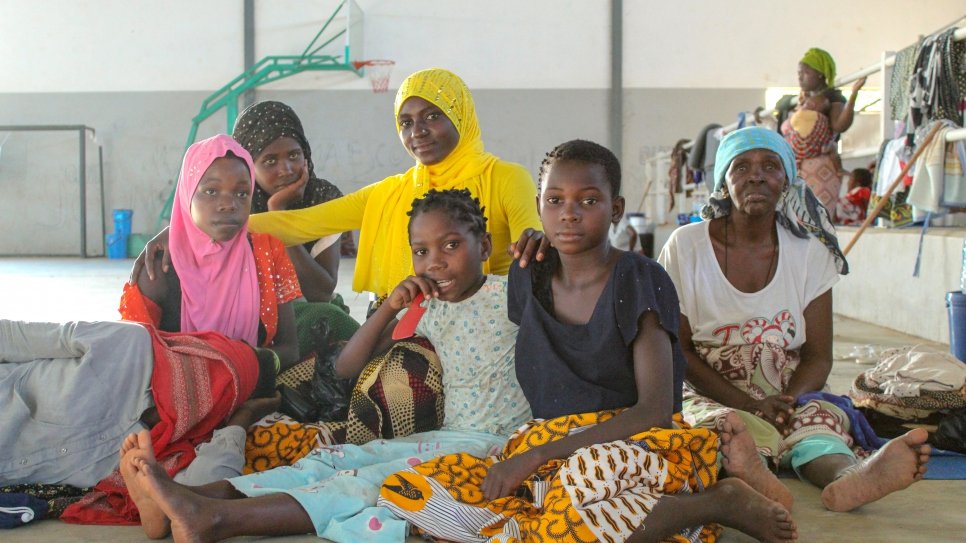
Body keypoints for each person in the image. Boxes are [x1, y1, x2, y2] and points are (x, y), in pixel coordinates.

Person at [379, 140, 797, 543]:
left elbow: (653, 411)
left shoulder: (638, 278)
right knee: (411, 489)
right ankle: (599, 518)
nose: (569, 215)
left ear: (616, 209)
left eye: (589, 200)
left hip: (637, 445)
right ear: (539, 207)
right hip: (549, 443)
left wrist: (535, 458)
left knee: (575, 498)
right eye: (555, 200)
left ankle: (717, 502)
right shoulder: (529, 273)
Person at [116, 188, 532, 543]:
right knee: (333, 461)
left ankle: (217, 519)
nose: (435, 262)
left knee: (367, 483)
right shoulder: (428, 307)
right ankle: (178, 499)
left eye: (451, 246)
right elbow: (348, 367)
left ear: (485, 246)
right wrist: (390, 308)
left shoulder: (509, 294)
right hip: (449, 436)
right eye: (421, 251)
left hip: (496, 444)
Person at [657, 126, 930, 514]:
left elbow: (819, 355)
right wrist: (749, 405)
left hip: (787, 386)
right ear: (723, 179)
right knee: (716, 430)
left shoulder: (809, 252)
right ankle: (747, 471)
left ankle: (849, 477)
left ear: (786, 179)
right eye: (741, 166)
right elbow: (679, 349)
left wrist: (786, 402)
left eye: (770, 165)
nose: (756, 175)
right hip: (711, 386)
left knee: (818, 426)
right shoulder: (686, 246)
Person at [0, 319, 278, 525]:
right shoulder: (129, 343)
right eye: (206, 366)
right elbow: (11, 336)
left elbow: (200, 497)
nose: (200, 382)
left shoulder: (166, 452)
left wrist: (241, 421)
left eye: (220, 389)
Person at [120, 134, 300, 373]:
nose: (229, 204)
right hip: (180, 398)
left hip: (250, 385)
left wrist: (243, 363)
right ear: (187, 195)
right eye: (211, 191)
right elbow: (133, 359)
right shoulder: (160, 267)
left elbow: (290, 349)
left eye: (242, 193)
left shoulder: (267, 254)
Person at [231, 100, 360, 420]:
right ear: (248, 165)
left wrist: (278, 218)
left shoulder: (323, 197)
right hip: (249, 318)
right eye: (269, 160)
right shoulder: (235, 202)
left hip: (310, 312)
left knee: (330, 319)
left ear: (306, 153)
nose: (286, 169)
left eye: (293, 155)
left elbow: (320, 291)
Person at [781, 47, 866, 216]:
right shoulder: (801, 100)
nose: (800, 77)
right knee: (795, 220)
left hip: (821, 169)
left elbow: (839, 126)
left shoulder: (831, 98)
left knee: (817, 220)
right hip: (798, 168)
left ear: (820, 74)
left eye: (805, 72)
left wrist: (854, 95)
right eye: (799, 72)